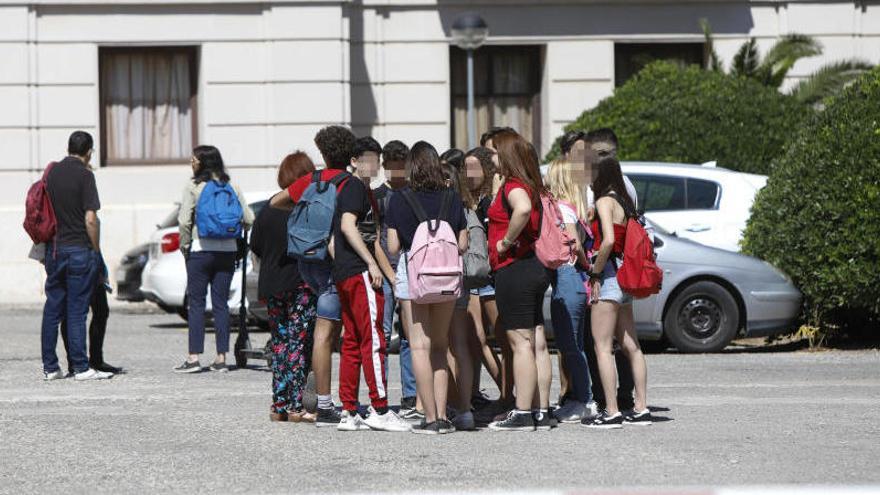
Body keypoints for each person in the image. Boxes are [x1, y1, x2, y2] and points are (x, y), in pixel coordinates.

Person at [269, 126, 355, 427]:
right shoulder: (350, 183)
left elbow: (275, 201)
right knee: (344, 334)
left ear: (323, 152)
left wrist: (304, 213)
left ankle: (316, 401)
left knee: (314, 335)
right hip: (337, 263)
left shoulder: (312, 180)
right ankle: (341, 401)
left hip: (308, 261)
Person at [387, 141, 468, 435]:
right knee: (440, 345)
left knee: (419, 345)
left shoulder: (399, 199)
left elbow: (394, 247)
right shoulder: (452, 197)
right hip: (446, 277)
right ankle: (444, 417)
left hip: (415, 275)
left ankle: (430, 417)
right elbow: (462, 244)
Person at [332, 135, 410, 432]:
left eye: (376, 159)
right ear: (354, 161)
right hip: (357, 273)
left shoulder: (358, 189)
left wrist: (389, 275)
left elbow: (368, 235)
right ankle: (378, 408)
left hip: (347, 272)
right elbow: (347, 227)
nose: (375, 164)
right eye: (369, 158)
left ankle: (349, 411)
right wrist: (370, 263)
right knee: (374, 340)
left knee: (352, 342)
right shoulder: (353, 187)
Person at [486, 129, 551, 432]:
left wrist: (506, 241)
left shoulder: (513, 186)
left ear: (506, 154)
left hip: (515, 269)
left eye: (495, 152)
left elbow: (522, 208)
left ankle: (523, 411)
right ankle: (540, 409)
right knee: (536, 342)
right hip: (533, 268)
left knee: (520, 343)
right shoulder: (529, 183)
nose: (491, 157)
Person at [584, 156, 651, 429]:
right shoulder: (624, 201)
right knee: (631, 345)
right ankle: (642, 406)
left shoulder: (603, 201)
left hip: (609, 275)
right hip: (625, 277)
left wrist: (595, 272)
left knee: (602, 346)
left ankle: (611, 410)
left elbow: (609, 239)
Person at [174, 145, 254, 374]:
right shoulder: (230, 185)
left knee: (197, 303)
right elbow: (249, 218)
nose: (191, 162)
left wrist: (185, 245)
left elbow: (184, 221)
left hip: (200, 250)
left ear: (202, 163)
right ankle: (221, 358)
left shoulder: (194, 186)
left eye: (194, 159)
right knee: (221, 304)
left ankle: (193, 358)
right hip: (226, 252)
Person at [251, 152, 318, 422]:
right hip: (300, 283)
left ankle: (279, 404)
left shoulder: (268, 208)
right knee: (298, 344)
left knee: (279, 344)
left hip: (271, 284)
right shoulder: (305, 208)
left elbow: (255, 244)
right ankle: (295, 405)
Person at [41, 131, 112, 381]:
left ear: (68, 147)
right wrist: (95, 249)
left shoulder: (51, 173)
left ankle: (51, 367)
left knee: (53, 309)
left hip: (55, 249)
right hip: (79, 249)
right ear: (89, 151)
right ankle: (81, 367)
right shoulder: (85, 175)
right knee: (77, 310)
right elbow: (90, 219)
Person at [544, 159, 598, 423]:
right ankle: (580, 398)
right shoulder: (573, 209)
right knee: (571, 344)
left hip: (567, 276)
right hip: (573, 279)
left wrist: (586, 266)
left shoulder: (563, 211)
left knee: (570, 345)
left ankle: (585, 400)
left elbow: (573, 245)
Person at [373, 140, 418, 416]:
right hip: (385, 272)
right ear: (385, 166)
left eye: (402, 167)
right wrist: (391, 276)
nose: (398, 173)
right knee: (382, 335)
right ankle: (380, 394)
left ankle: (411, 394)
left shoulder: (414, 194)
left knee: (411, 337)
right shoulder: (377, 196)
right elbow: (375, 238)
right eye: (393, 168)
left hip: (412, 273)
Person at [461, 147, 503, 406]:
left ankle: (511, 396)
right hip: (474, 280)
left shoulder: (491, 201)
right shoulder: (469, 200)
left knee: (503, 340)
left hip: (492, 279)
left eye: (474, 167)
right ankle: (504, 394)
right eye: (465, 168)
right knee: (477, 340)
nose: (469, 173)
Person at [441, 150, 477, 431]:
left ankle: (446, 407)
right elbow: (464, 245)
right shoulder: (465, 205)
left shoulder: (439, 205)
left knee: (440, 345)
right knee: (460, 345)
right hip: (460, 279)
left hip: (438, 281)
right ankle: (465, 408)